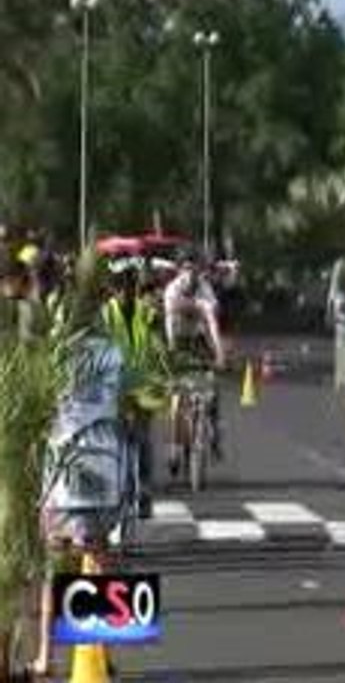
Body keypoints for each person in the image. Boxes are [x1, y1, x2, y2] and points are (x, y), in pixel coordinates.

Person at [33, 271, 126, 678]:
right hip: (104, 466)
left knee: (56, 564)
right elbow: (120, 402)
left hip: (65, 470)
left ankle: (46, 656)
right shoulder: (113, 353)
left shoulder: (55, 354)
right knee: (99, 558)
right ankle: (101, 653)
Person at [103, 267, 168, 517]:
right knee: (114, 440)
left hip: (143, 384)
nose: (126, 294)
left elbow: (159, 345)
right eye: (121, 289)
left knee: (142, 439)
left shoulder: (148, 313)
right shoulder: (105, 314)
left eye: (131, 289)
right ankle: (115, 487)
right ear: (114, 290)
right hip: (114, 385)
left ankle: (145, 491)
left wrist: (165, 370)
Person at [163, 254, 226, 468]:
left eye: (195, 269)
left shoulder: (205, 289)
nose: (191, 274)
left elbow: (212, 324)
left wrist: (219, 354)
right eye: (187, 269)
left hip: (199, 340)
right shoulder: (172, 290)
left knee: (212, 389)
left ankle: (215, 433)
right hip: (178, 340)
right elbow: (170, 326)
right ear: (180, 270)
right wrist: (171, 355)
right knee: (177, 402)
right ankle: (174, 447)